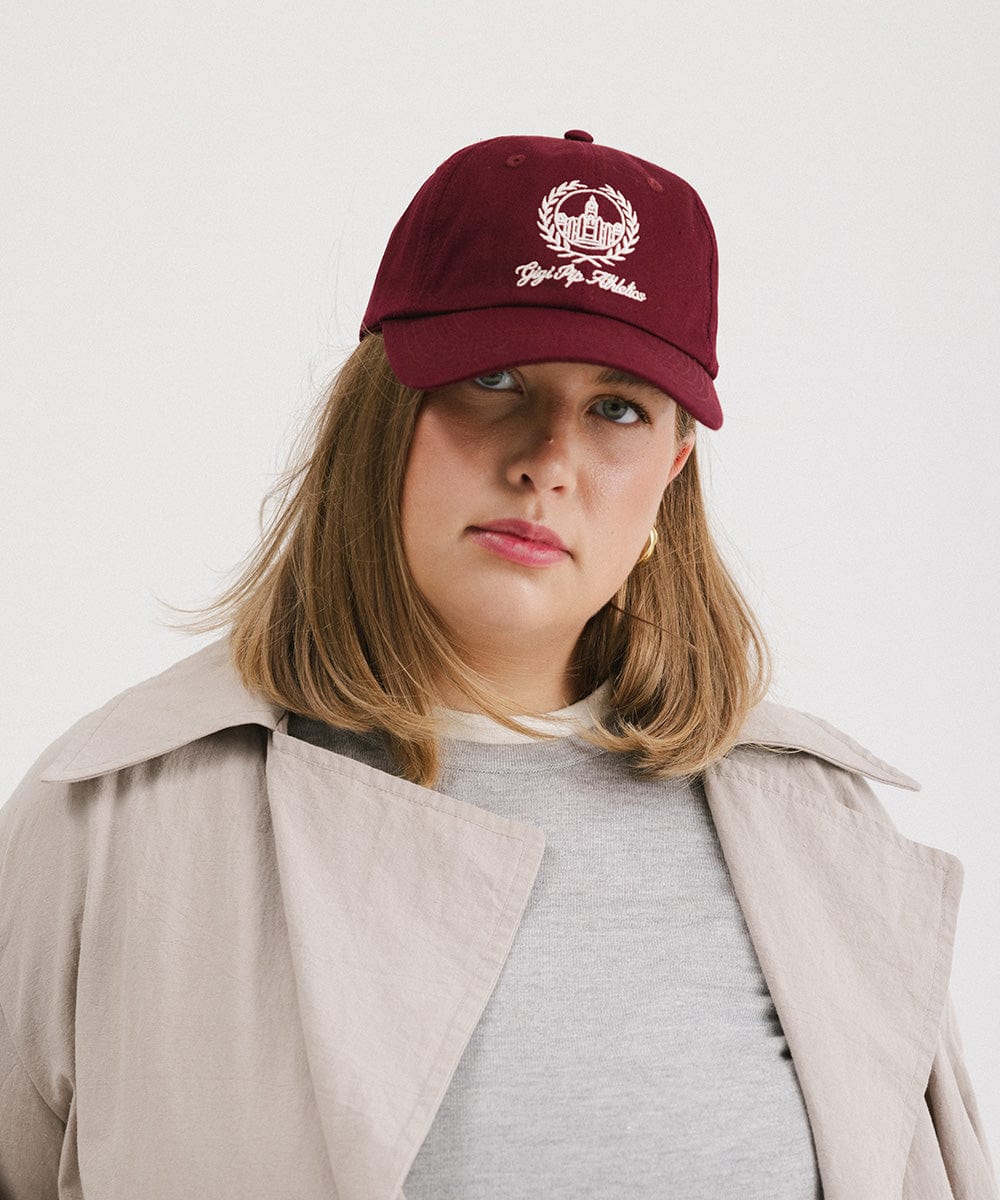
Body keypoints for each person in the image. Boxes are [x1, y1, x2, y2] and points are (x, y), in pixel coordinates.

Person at [0, 130, 994, 1200]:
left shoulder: (822, 837)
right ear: (378, 412)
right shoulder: (119, 819)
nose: (548, 461)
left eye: (617, 408)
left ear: (670, 470)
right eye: (493, 378)